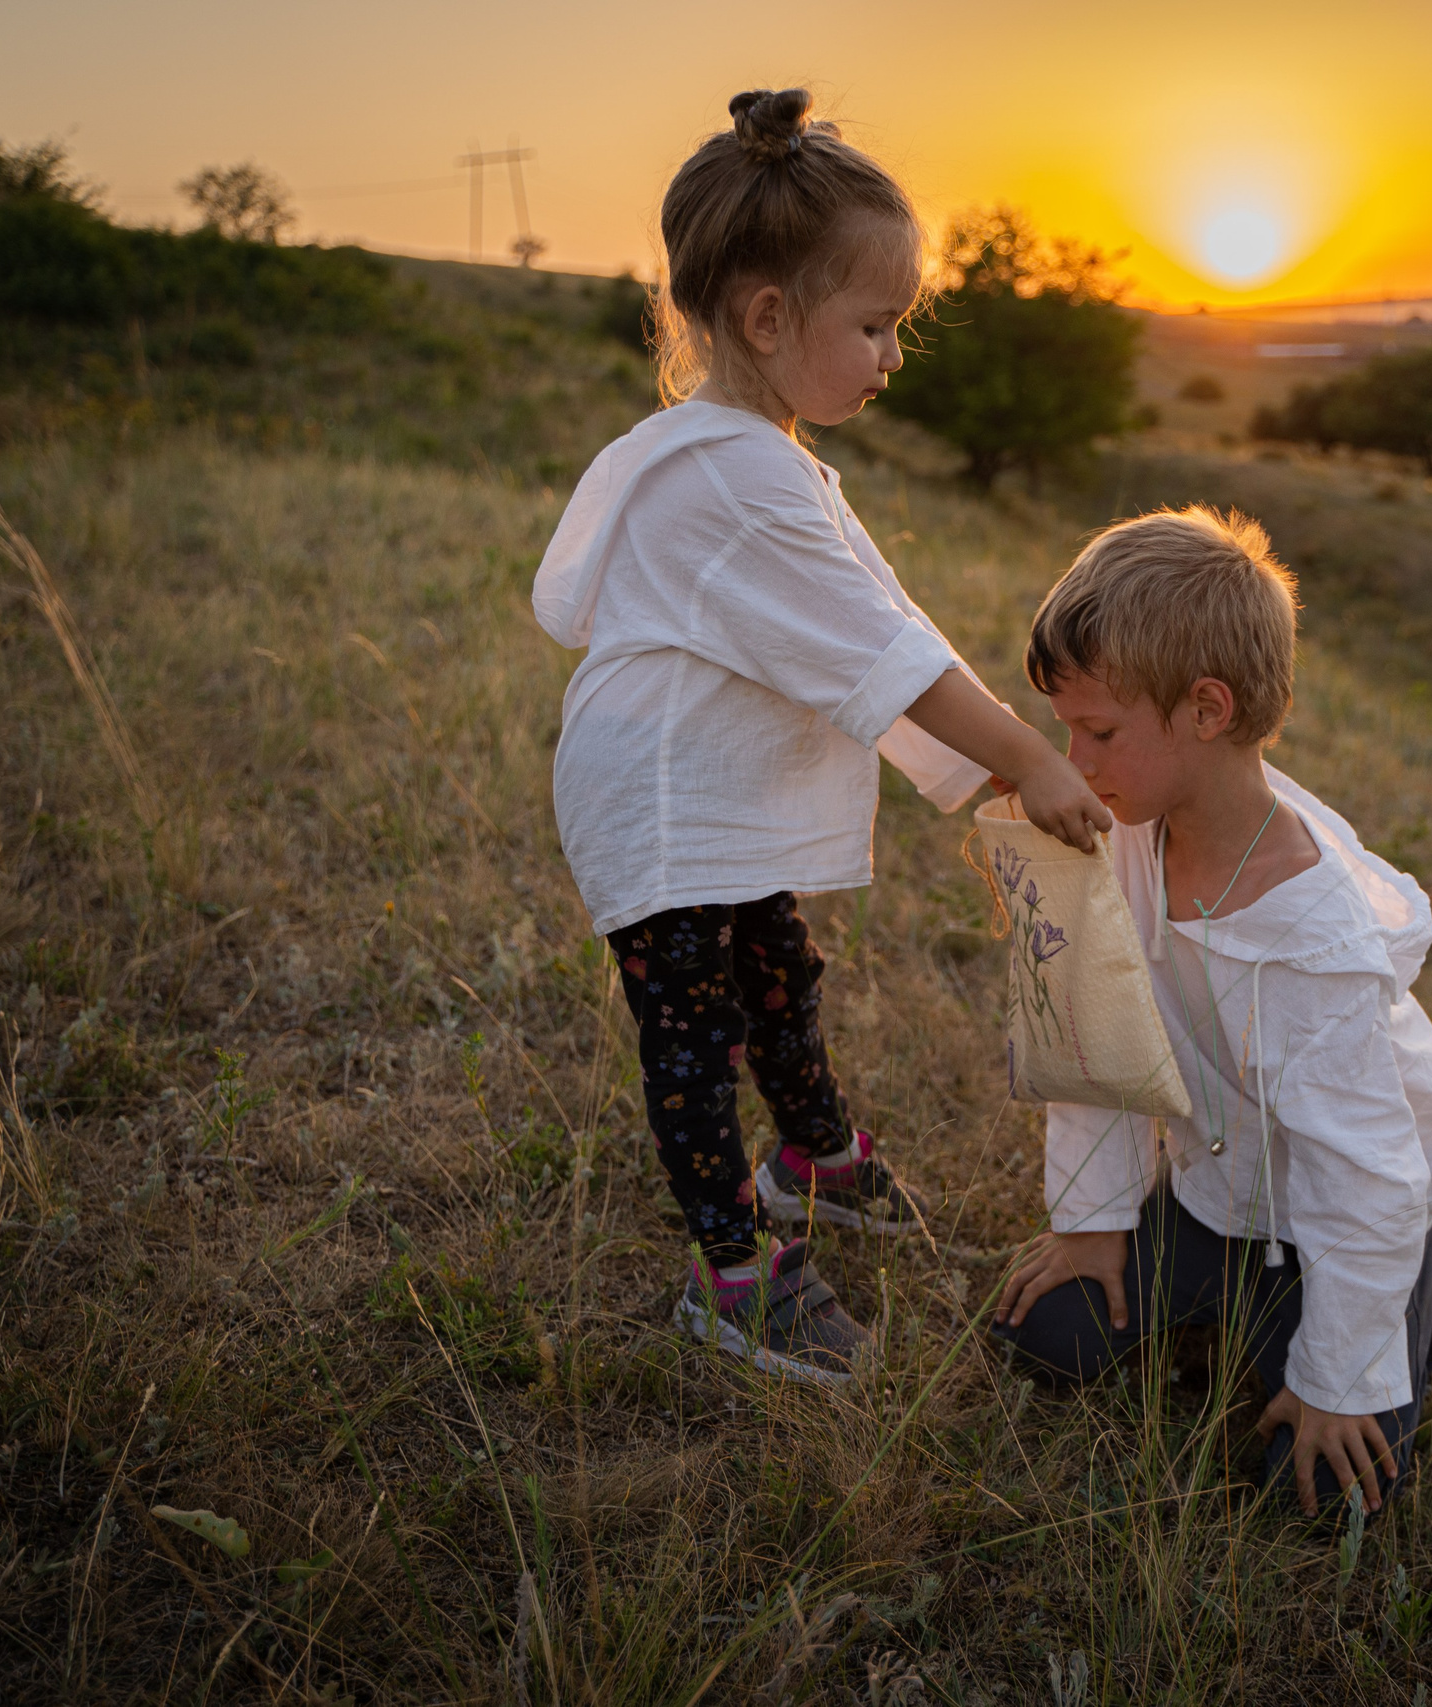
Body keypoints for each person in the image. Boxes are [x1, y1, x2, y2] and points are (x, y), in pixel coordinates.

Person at [530, 89, 1110, 1385]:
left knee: (778, 972)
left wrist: (1018, 744)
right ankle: (732, 1275)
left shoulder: (755, 452)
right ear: (767, 317)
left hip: (698, 780)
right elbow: (892, 658)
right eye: (876, 325)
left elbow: (887, 626)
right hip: (663, 798)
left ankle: (815, 1156)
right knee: (692, 1028)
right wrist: (1030, 758)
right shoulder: (735, 475)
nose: (893, 357)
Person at [989, 506, 1432, 1517]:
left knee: (1319, 1496)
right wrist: (1092, 1221)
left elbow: (1365, 1172)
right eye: (1067, 729)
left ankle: (1416, 1297)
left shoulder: (1313, 941)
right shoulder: (1129, 828)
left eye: (1099, 732)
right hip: (1215, 1195)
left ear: (1206, 710)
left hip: (1337, 1214)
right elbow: (1097, 1037)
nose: (1074, 763)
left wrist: (1336, 1383)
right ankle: (1233, 1292)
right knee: (1046, 1338)